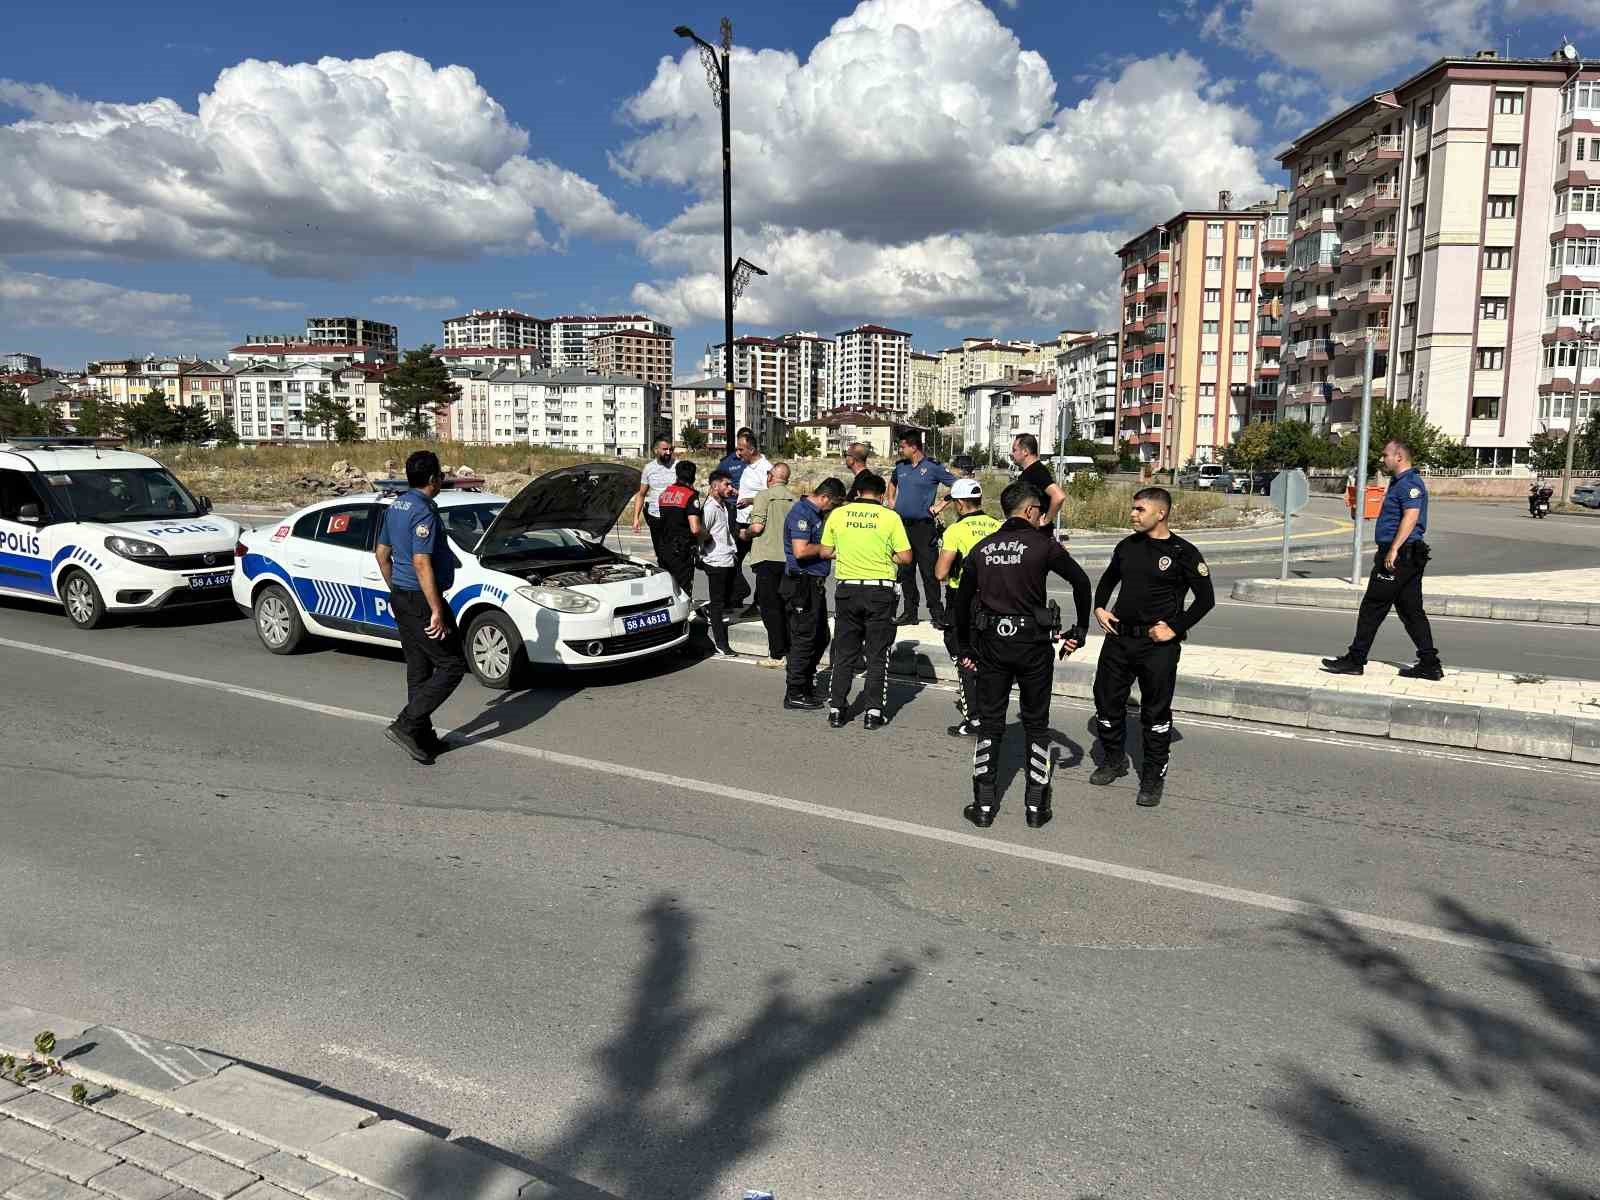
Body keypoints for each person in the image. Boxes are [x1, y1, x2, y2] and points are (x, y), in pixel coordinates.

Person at [952, 482, 1091, 830]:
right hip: (1033, 645)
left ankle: (983, 807)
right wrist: (1080, 631)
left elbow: (960, 602)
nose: (1042, 517)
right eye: (1040, 512)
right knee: (1036, 724)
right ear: (1030, 511)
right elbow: (1081, 583)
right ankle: (1035, 807)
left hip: (992, 646)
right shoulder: (1043, 545)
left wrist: (965, 648)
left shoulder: (982, 549)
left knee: (991, 723)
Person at [1089, 487, 1215, 809]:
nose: (1133, 514)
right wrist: (1100, 608)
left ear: (1161, 513)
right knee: (1105, 702)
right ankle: (1113, 760)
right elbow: (1107, 581)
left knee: (1155, 712)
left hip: (1157, 645)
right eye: (1133, 508)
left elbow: (1206, 600)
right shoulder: (1126, 546)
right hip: (1119, 638)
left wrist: (1175, 628)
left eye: (1140, 509)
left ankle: (1152, 776)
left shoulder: (1183, 552)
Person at [1322, 438, 1443, 681]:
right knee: (1410, 610)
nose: (1382, 458)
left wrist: (1393, 550)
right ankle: (1429, 663)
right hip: (1404, 554)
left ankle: (1355, 660)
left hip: (1400, 555)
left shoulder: (1410, 484)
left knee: (1372, 606)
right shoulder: (1399, 482)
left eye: (1385, 454)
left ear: (1399, 457)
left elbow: (1411, 516)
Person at [374, 450, 467, 765]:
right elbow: (420, 561)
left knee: (419, 669)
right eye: (441, 475)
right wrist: (435, 608)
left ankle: (422, 736)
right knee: (452, 665)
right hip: (420, 598)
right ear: (433, 479)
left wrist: (396, 590)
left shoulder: (395, 506)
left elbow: (381, 554)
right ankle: (408, 722)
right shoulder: (423, 511)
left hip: (402, 596)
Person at [819, 471, 912, 729]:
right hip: (879, 592)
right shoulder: (890, 517)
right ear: (882, 495)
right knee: (877, 654)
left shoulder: (838, 515)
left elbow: (826, 552)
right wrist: (886, 557)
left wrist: (849, 554)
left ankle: (836, 708)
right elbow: (905, 557)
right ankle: (873, 712)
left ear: (857, 492)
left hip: (847, 590)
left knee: (845, 652)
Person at [934, 477, 1002, 738]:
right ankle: (990, 711)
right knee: (989, 659)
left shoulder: (956, 530)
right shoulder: (998, 526)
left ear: (960, 503)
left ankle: (973, 717)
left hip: (964, 600)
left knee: (964, 657)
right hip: (996, 600)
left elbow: (940, 572)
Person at [781, 477, 847, 709]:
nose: (834, 509)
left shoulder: (816, 514)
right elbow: (801, 551)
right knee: (804, 638)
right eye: (835, 504)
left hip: (813, 584)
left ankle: (805, 683)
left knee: (820, 637)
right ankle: (795, 691)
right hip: (801, 584)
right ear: (825, 497)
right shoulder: (802, 513)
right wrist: (829, 551)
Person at [885, 431, 957, 627]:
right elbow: (892, 483)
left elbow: (957, 485)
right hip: (902, 527)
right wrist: (891, 500)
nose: (900, 450)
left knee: (928, 572)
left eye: (902, 446)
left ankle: (937, 613)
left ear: (914, 447)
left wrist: (941, 505)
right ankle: (910, 612)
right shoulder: (901, 467)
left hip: (924, 528)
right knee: (905, 571)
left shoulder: (932, 467)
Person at [744, 461, 795, 666]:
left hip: (767, 559)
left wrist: (745, 533)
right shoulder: (794, 499)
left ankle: (776, 654)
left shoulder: (764, 496)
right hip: (788, 560)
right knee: (786, 608)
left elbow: (756, 527)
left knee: (770, 609)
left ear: (771, 477)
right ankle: (789, 650)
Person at [698, 469, 740, 656]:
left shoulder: (722, 505)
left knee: (741, 591)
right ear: (715, 486)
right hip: (716, 561)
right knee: (719, 604)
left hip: (728, 558)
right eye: (727, 484)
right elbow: (699, 532)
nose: (730, 488)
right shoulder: (709, 508)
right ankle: (721, 644)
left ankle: (705, 609)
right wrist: (704, 552)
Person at [733, 432, 772, 614]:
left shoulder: (765, 469)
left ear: (752, 449)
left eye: (741, 449)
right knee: (732, 560)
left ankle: (758, 603)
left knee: (760, 567)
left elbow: (770, 496)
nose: (738, 453)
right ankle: (737, 595)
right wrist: (738, 493)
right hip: (741, 521)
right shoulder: (748, 467)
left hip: (755, 526)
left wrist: (749, 501)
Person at [655, 461, 702, 600]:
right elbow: (695, 528)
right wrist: (707, 536)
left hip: (663, 546)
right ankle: (683, 617)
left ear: (677, 474)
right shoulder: (690, 495)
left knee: (667, 585)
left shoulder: (664, 494)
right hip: (681, 549)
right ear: (693, 476)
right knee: (683, 588)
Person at [630, 437, 677, 565]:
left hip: (674, 517)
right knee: (660, 553)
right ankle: (664, 577)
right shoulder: (648, 468)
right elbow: (641, 494)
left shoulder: (677, 466)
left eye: (670, 449)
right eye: (664, 449)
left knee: (674, 553)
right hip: (655, 517)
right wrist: (636, 519)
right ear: (655, 450)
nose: (668, 452)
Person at [1010, 434, 1067, 527]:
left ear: (1025, 452)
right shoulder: (1030, 471)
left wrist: (1045, 521)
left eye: (1014, 450)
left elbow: (1059, 496)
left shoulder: (1037, 471)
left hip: (1036, 532)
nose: (1012, 454)